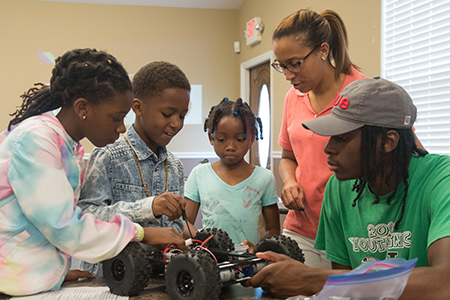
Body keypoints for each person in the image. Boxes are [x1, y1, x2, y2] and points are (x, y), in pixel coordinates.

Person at [0, 49, 186, 296]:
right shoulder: (35, 140)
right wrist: (142, 233)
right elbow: (64, 226)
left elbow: (40, 223)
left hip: (27, 281)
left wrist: (52, 269)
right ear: (82, 108)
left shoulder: (67, 145)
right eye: (116, 118)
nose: (121, 127)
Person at [244, 77, 450, 299]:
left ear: (388, 142)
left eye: (342, 138)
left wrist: (309, 279)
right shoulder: (339, 187)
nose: (328, 148)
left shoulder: (441, 179)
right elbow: (345, 289)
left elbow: (444, 283)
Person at [272, 8, 367, 268]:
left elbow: (407, 152)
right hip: (301, 229)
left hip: (350, 232)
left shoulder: (362, 93)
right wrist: (289, 181)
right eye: (282, 66)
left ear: (323, 50)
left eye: (295, 63)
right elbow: (288, 157)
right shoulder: (293, 97)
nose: (289, 75)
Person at [78, 61, 190, 275]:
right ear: (137, 108)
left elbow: (174, 227)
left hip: (159, 280)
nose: (176, 123)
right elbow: (87, 217)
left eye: (182, 115)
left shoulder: (174, 166)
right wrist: (148, 208)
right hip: (110, 279)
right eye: (168, 114)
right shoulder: (107, 155)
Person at [183, 98, 280, 247]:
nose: (230, 146)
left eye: (240, 139)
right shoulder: (199, 174)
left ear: (252, 138)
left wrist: (257, 250)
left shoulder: (264, 178)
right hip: (211, 260)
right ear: (211, 137)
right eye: (222, 139)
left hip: (249, 264)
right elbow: (185, 223)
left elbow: (273, 229)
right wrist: (207, 242)